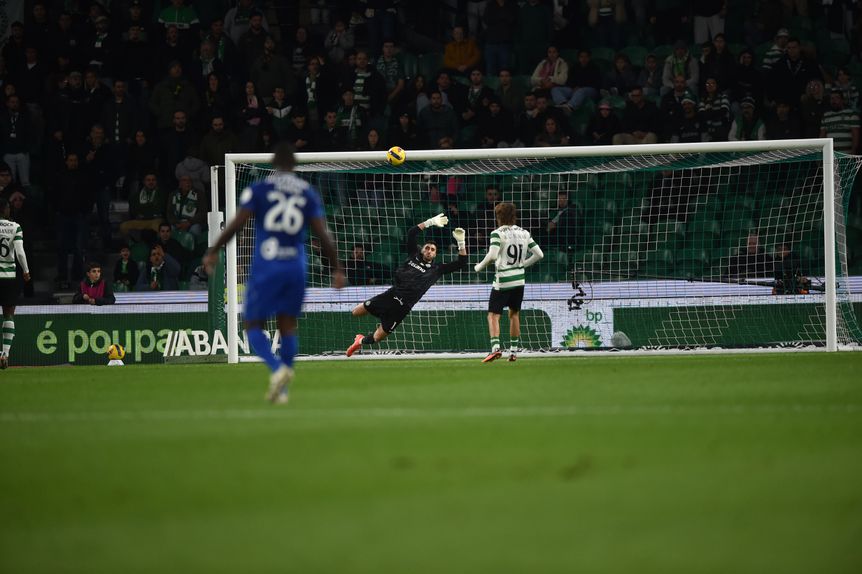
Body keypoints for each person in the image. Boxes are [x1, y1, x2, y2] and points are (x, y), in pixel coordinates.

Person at [204, 142, 345, 404]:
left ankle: (276, 368)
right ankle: (283, 389)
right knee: (288, 324)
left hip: (267, 265)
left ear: (273, 164)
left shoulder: (259, 189)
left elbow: (237, 223)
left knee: (252, 324)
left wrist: (214, 249)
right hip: (295, 266)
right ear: (294, 165)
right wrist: (337, 267)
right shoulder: (307, 192)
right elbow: (323, 233)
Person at [346, 214, 467, 356]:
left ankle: (359, 341)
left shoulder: (437, 269)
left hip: (403, 307)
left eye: (432, 250)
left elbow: (461, 263)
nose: (429, 251)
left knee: (377, 337)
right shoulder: (413, 255)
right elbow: (411, 233)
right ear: (422, 250)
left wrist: (461, 242)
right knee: (356, 312)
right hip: (391, 295)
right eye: (427, 248)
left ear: (435, 254)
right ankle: (377, 312)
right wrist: (430, 222)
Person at [473, 202, 544, 363]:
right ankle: (513, 352)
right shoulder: (524, 233)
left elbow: (492, 256)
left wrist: (479, 267)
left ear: (498, 216)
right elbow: (539, 254)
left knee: (493, 315)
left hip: (503, 280)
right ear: (514, 216)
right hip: (519, 280)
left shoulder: (497, 233)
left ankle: (496, 348)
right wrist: (522, 265)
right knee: (514, 314)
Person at [0, 196, 30, 369]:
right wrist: (25, 270)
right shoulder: (15, 227)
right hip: (8, 277)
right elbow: (19, 252)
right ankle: (5, 353)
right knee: (8, 313)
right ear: (6, 209)